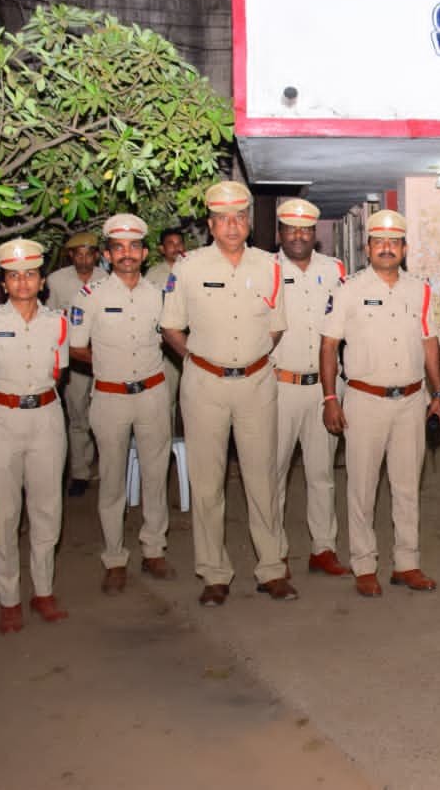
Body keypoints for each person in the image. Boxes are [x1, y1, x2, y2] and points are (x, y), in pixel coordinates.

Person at [160, 180, 297, 607]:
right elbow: (170, 327)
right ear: (210, 224)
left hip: (257, 384)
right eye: (223, 219)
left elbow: (276, 327)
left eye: (239, 217)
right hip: (204, 386)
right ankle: (213, 573)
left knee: (262, 478)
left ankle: (272, 568)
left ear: (248, 222)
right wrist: (199, 359)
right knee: (207, 483)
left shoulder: (270, 266)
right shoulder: (188, 268)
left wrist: (249, 359)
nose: (232, 226)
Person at [320, 210, 440, 597]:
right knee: (362, 487)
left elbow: (430, 344)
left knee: (407, 488)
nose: (386, 248)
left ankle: (407, 564)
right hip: (364, 401)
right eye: (379, 242)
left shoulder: (421, 290)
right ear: (367, 247)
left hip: (411, 401)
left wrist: (439, 395)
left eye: (394, 242)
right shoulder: (347, 289)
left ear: (404, 248)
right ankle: (364, 564)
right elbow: (328, 346)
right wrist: (329, 397)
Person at [0, 239, 70, 633]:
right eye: (14, 276)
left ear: (42, 281)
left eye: (30, 275)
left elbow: (58, 371)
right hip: (0, 423)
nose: (22, 282)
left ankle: (43, 591)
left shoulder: (58, 322)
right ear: (4, 283)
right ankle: (9, 598)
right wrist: (6, 396)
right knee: (4, 514)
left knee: (47, 510)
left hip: (46, 419)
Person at [69, 214, 175, 595]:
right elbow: (75, 346)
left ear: (145, 254)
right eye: (118, 248)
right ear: (108, 255)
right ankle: (114, 558)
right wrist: (105, 364)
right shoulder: (90, 296)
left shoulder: (159, 295)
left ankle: (154, 549)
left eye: (134, 247)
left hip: (152, 394)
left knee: (155, 475)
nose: (126, 254)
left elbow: (173, 336)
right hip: (110, 397)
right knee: (112, 480)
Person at [271, 198, 350, 577]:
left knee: (322, 475)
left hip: (324, 388)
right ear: (280, 234)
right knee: (272, 475)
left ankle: (323, 548)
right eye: (291, 229)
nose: (298, 236)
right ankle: (274, 553)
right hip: (278, 387)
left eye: (305, 230)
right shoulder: (265, 269)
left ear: (314, 234)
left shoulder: (335, 270)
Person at [46, 230, 107, 497]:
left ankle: (106, 469)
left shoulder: (107, 280)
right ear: (71, 256)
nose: (84, 260)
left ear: (96, 256)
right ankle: (80, 471)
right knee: (78, 415)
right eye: (78, 255)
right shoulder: (56, 281)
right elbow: (50, 320)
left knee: (104, 417)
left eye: (88, 254)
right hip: (74, 358)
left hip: (104, 356)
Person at [146, 227, 187, 420]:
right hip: (166, 345)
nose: (176, 248)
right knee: (166, 398)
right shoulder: (153, 275)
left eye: (179, 243)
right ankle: (166, 438)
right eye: (171, 244)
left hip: (192, 343)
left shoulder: (193, 270)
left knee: (193, 399)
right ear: (162, 249)